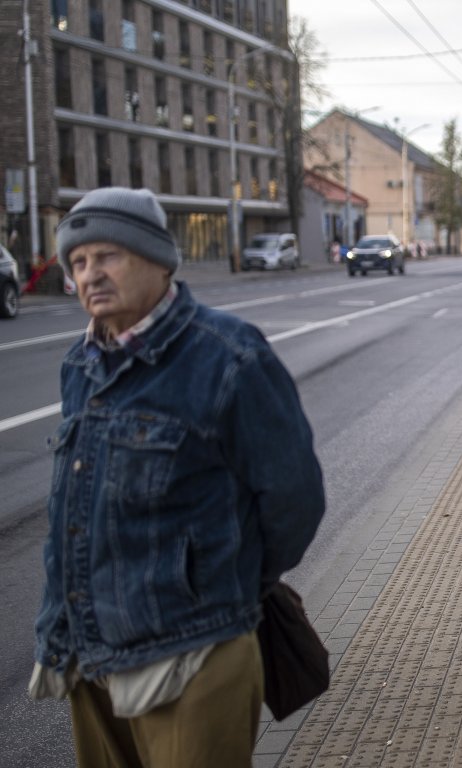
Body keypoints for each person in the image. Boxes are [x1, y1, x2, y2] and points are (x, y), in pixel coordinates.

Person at [30, 187, 326, 766]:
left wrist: (227, 587)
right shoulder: (80, 364)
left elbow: (296, 502)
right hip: (91, 652)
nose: (91, 274)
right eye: (78, 262)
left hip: (193, 651)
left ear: (158, 259)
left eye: (107, 256)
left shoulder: (228, 355)